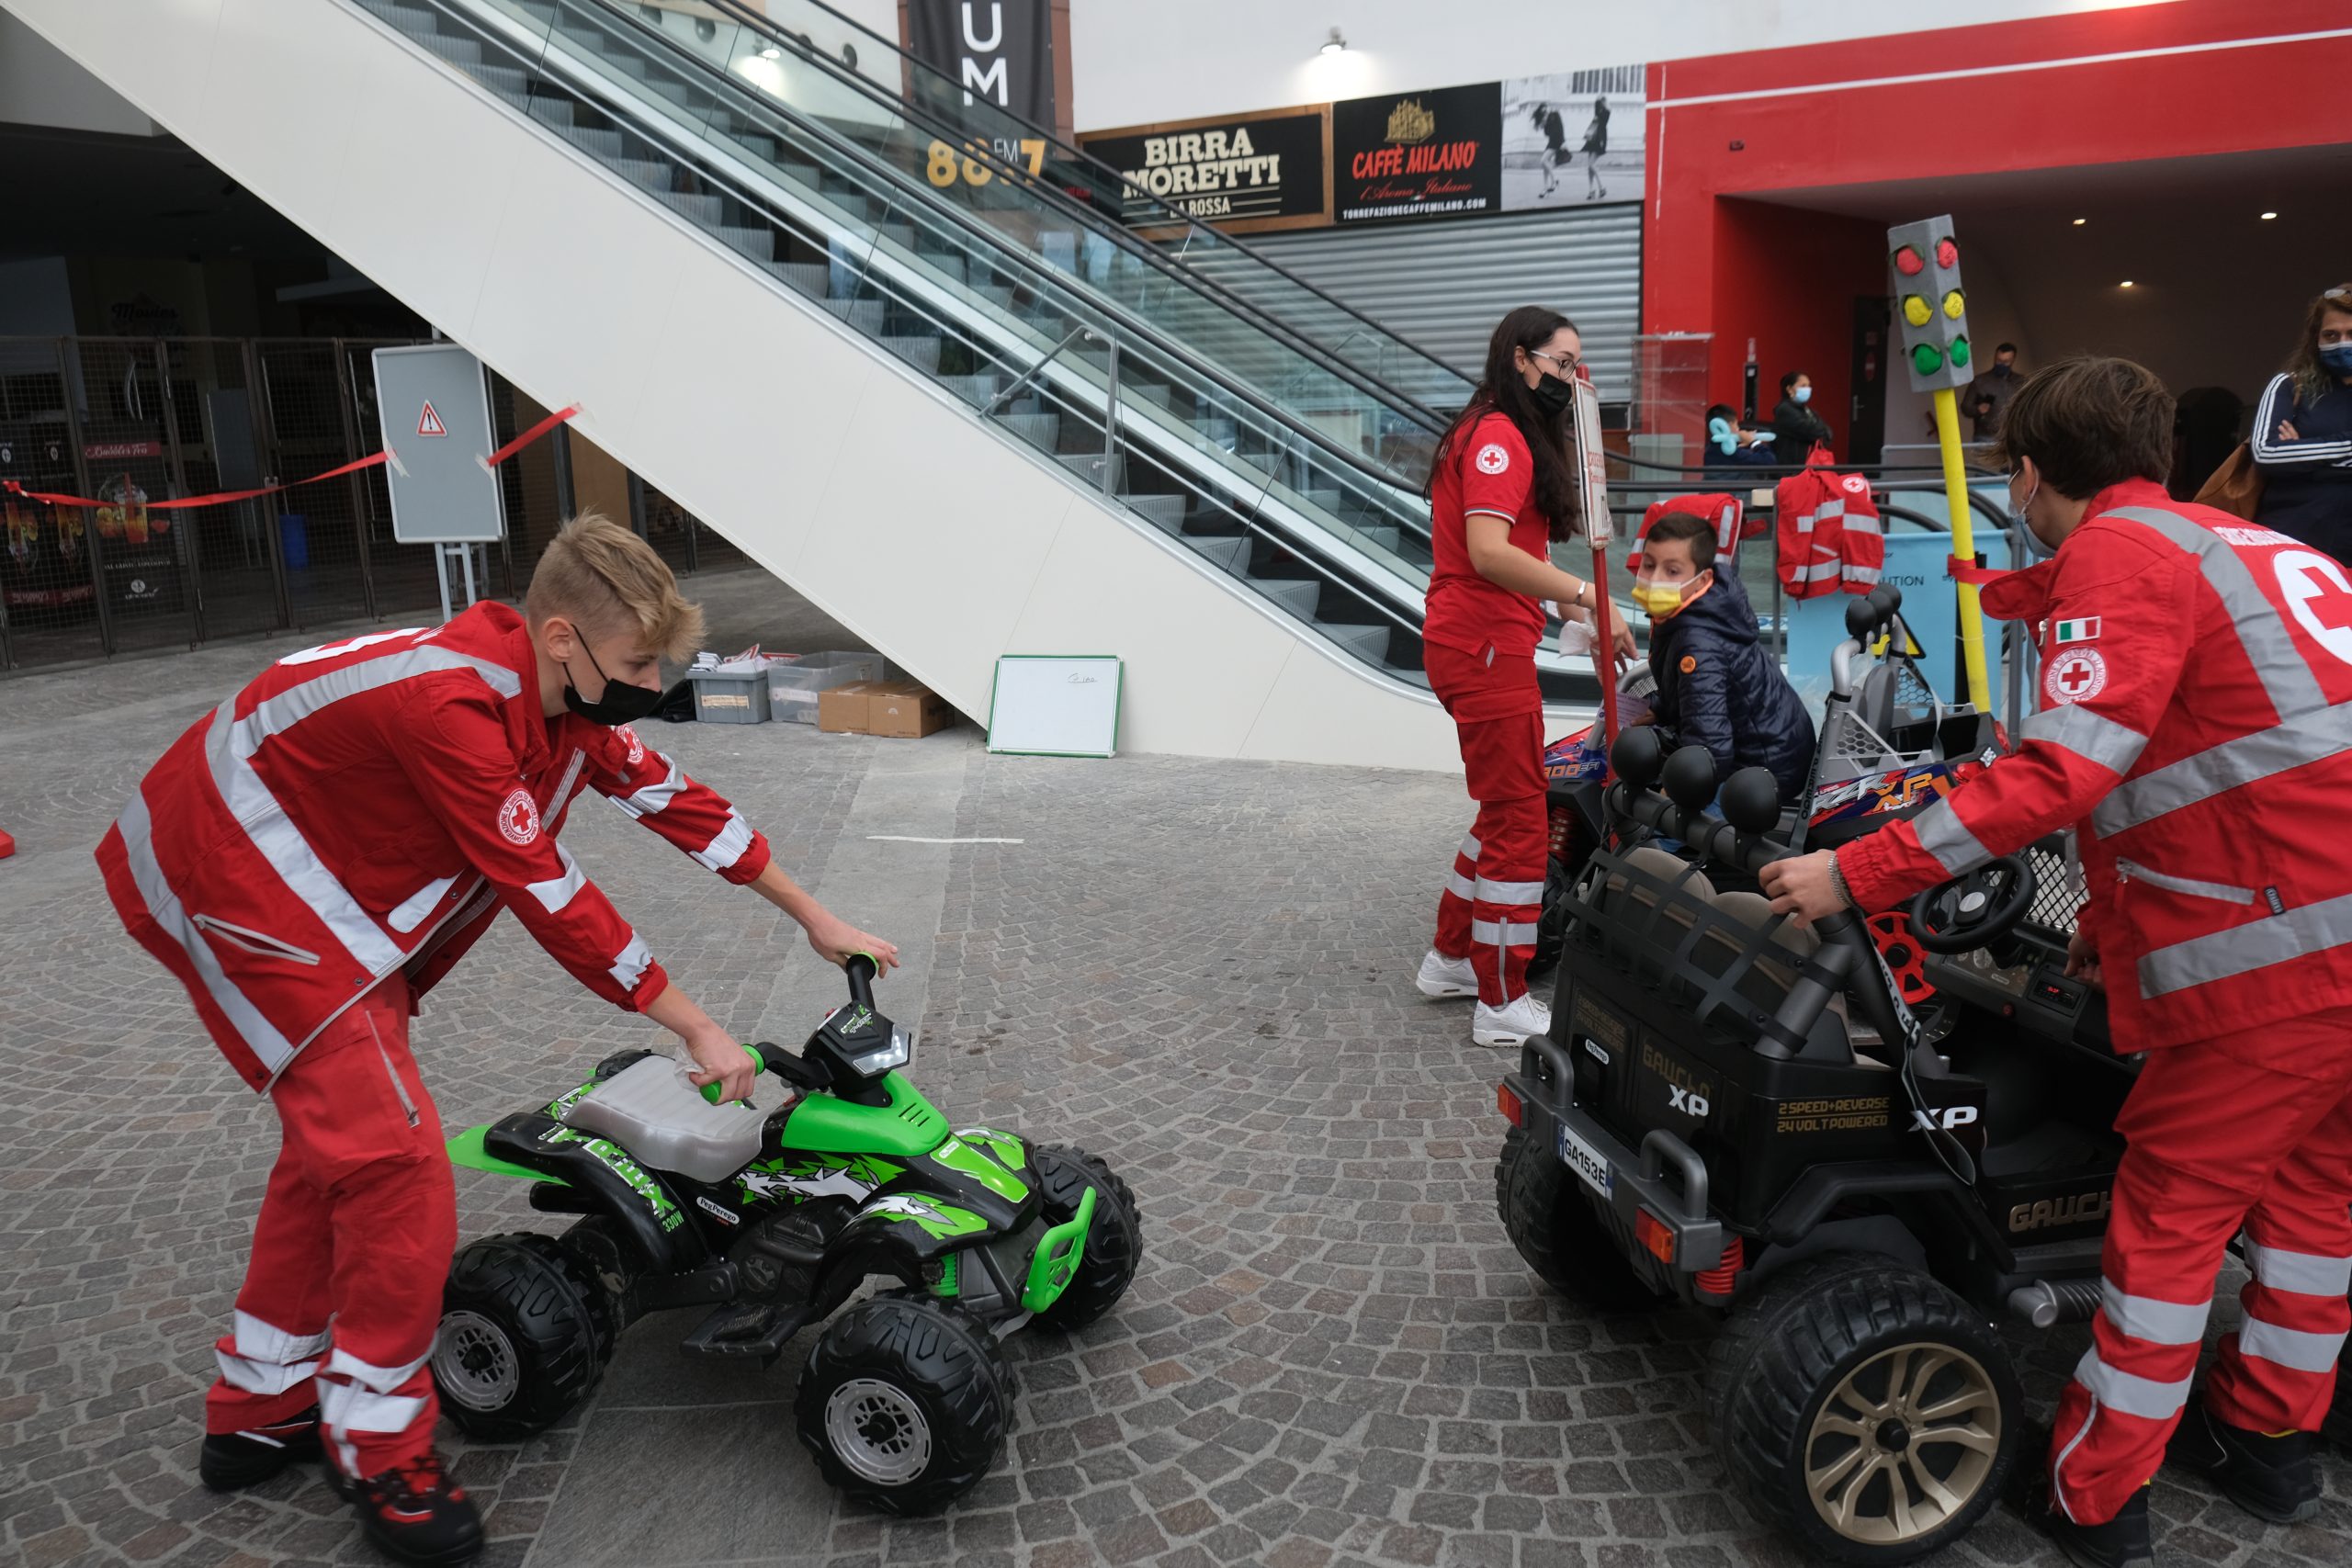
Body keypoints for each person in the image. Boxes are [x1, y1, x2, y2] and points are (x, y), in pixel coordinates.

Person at [96, 513, 899, 1566]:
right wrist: (695, 1026)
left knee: (333, 1153)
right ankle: (376, 1440)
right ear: (562, 636)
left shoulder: (557, 701)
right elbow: (550, 894)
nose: (652, 681)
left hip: (316, 895)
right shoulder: (453, 706)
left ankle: (259, 1405)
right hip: (237, 874)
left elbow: (681, 802)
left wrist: (814, 915)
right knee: (391, 1162)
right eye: (637, 661)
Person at [1758, 357, 2352, 1568]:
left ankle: (2094, 1491)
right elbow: (2225, 766)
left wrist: (1854, 872)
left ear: (2029, 472)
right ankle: (2271, 1444)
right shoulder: (2249, 552)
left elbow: (2060, 770)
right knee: (2312, 1209)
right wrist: (2113, 924)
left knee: (2172, 1226)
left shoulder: (2126, 559)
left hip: (2286, 971)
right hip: (2327, 954)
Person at [1414, 305, 1634, 1047]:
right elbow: (1489, 551)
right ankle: (1501, 997)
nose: (1573, 378)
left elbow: (1501, 558)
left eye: (1578, 367)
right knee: (1520, 820)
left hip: (1477, 640)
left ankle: (1450, 958)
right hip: (1481, 645)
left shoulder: (1491, 430)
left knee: (1503, 807)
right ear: (1520, 357)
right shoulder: (1500, 438)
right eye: (1563, 363)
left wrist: (1573, 614)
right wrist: (1587, 596)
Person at [1634, 511, 1815, 802]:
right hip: (1767, 749)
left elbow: (1709, 747)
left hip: (1762, 771)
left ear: (1701, 578)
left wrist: (1673, 797)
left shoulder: (1699, 643)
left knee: (1658, 829)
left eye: (1672, 571)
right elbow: (1701, 698)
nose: (1654, 579)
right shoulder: (1692, 609)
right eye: (1648, 565)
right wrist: (1660, 707)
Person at [2252, 281, 2352, 563]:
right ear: (2315, 339)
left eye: (2351, 334)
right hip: (2289, 546)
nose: (2342, 343)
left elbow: (2282, 456)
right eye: (2331, 335)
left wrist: (2302, 455)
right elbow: (2266, 453)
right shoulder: (2288, 386)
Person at [1770, 369, 1835, 458]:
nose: (1807, 389)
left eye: (1809, 386)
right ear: (1789, 389)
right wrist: (1820, 429)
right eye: (1803, 386)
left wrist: (1821, 430)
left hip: (1806, 464)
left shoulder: (1807, 410)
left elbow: (1828, 433)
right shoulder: (1785, 410)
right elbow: (1813, 431)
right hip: (1792, 466)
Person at [1704, 401, 1777, 474]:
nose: (1738, 428)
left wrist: (1745, 444)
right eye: (1736, 424)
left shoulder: (1710, 449)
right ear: (1729, 425)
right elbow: (1769, 460)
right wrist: (1753, 442)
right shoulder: (1731, 451)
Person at [1969, 343, 2021, 441]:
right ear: (1994, 358)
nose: (2001, 364)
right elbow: (1965, 407)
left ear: (2013, 360)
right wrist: (1978, 409)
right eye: (1999, 361)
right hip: (1986, 436)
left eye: (2006, 362)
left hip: (2013, 436)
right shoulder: (1980, 381)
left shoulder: (2021, 382)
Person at [1531, 101, 1567, 199]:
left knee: (1543, 161)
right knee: (1545, 166)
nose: (1545, 111)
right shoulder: (1545, 119)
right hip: (1551, 142)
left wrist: (1563, 142)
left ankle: (1555, 181)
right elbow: (1547, 134)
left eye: (1546, 108)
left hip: (1557, 142)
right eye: (1543, 110)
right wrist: (1544, 122)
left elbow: (1561, 128)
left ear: (1548, 107)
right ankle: (1545, 188)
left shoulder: (1555, 114)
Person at [1579, 95, 1610, 200]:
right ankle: (1591, 190)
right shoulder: (1598, 110)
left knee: (1591, 165)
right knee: (1589, 167)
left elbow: (1606, 111)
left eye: (1602, 101)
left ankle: (1602, 187)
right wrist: (1598, 99)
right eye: (1600, 101)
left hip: (1600, 139)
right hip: (1592, 138)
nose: (1600, 103)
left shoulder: (1606, 112)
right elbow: (1596, 104)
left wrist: (1604, 100)